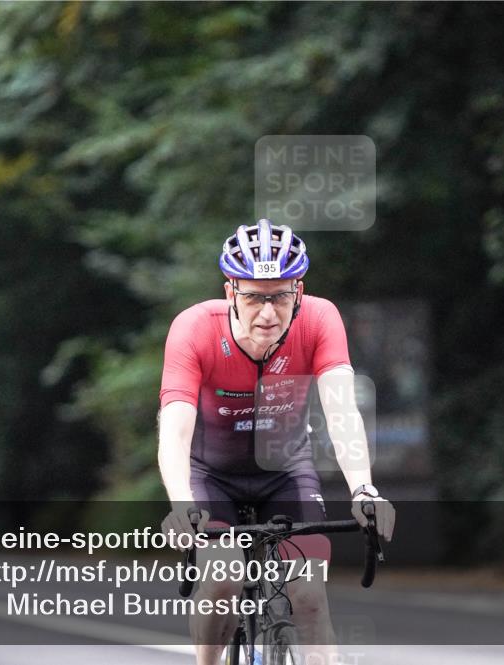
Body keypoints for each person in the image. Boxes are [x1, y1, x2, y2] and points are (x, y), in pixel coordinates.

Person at [159, 219, 395, 665]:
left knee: (309, 597)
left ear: (298, 292)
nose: (267, 313)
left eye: (280, 296)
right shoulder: (195, 328)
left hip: (285, 471)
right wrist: (179, 502)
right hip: (211, 475)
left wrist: (364, 489)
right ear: (231, 292)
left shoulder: (321, 319)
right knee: (225, 578)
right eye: (253, 297)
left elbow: (342, 409)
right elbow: (174, 427)